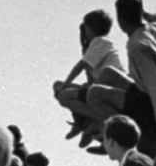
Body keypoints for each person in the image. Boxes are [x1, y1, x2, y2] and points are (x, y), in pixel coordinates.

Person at [88, 0, 156, 157]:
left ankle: (118, 139)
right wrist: (144, 14)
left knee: (94, 94)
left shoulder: (137, 46)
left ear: (121, 21)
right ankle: (102, 128)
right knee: (107, 73)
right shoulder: (154, 29)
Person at [52, 9, 125, 142]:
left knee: (63, 94)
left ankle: (94, 124)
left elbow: (81, 66)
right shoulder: (94, 47)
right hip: (100, 87)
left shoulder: (101, 42)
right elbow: (90, 76)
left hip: (110, 90)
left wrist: (65, 85)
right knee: (58, 86)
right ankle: (85, 123)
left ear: (90, 28)